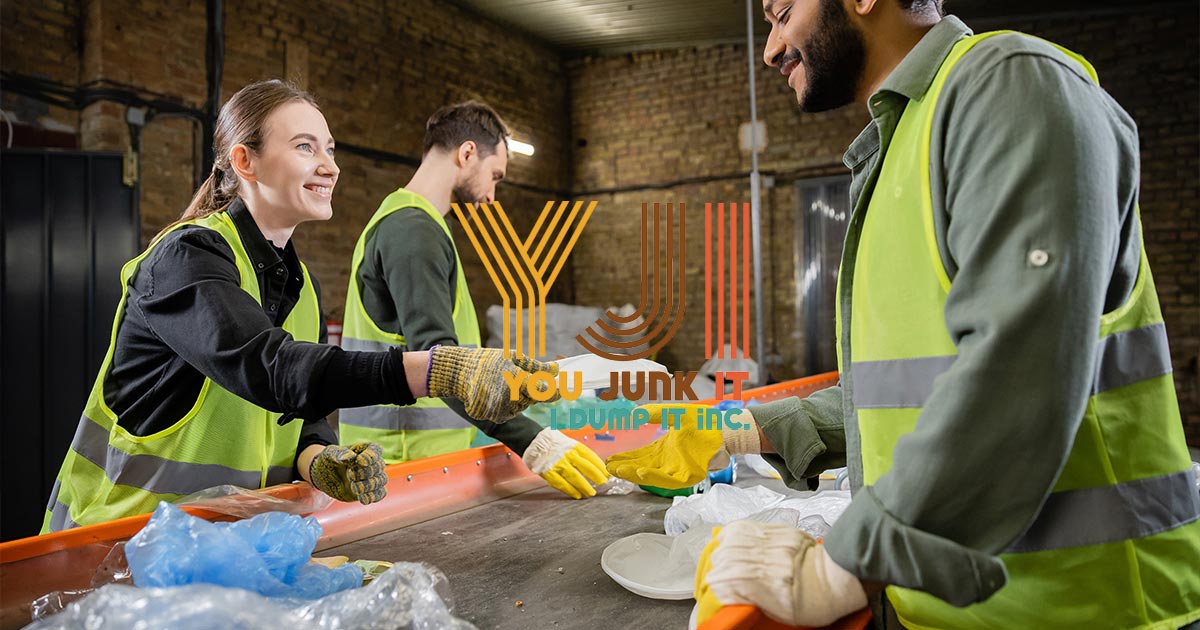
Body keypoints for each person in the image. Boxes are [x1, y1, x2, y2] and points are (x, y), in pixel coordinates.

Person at [607, 1, 1200, 628]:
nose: (770, 50)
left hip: (1090, 608)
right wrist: (743, 429)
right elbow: (910, 392)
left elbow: (1020, 373)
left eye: (782, 14)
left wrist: (845, 563)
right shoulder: (901, 147)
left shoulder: (1008, 86)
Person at [44, 81, 554, 533]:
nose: (330, 165)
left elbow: (296, 413)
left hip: (227, 551)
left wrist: (318, 459)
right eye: (305, 146)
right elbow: (269, 367)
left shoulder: (300, 285)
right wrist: (436, 370)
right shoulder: (186, 259)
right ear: (245, 161)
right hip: (117, 550)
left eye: (330, 148)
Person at [338, 101, 608, 500]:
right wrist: (532, 441)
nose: (492, 195)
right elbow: (441, 363)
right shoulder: (413, 231)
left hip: (421, 465)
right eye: (495, 176)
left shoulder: (417, 224)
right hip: (406, 468)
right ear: (466, 154)